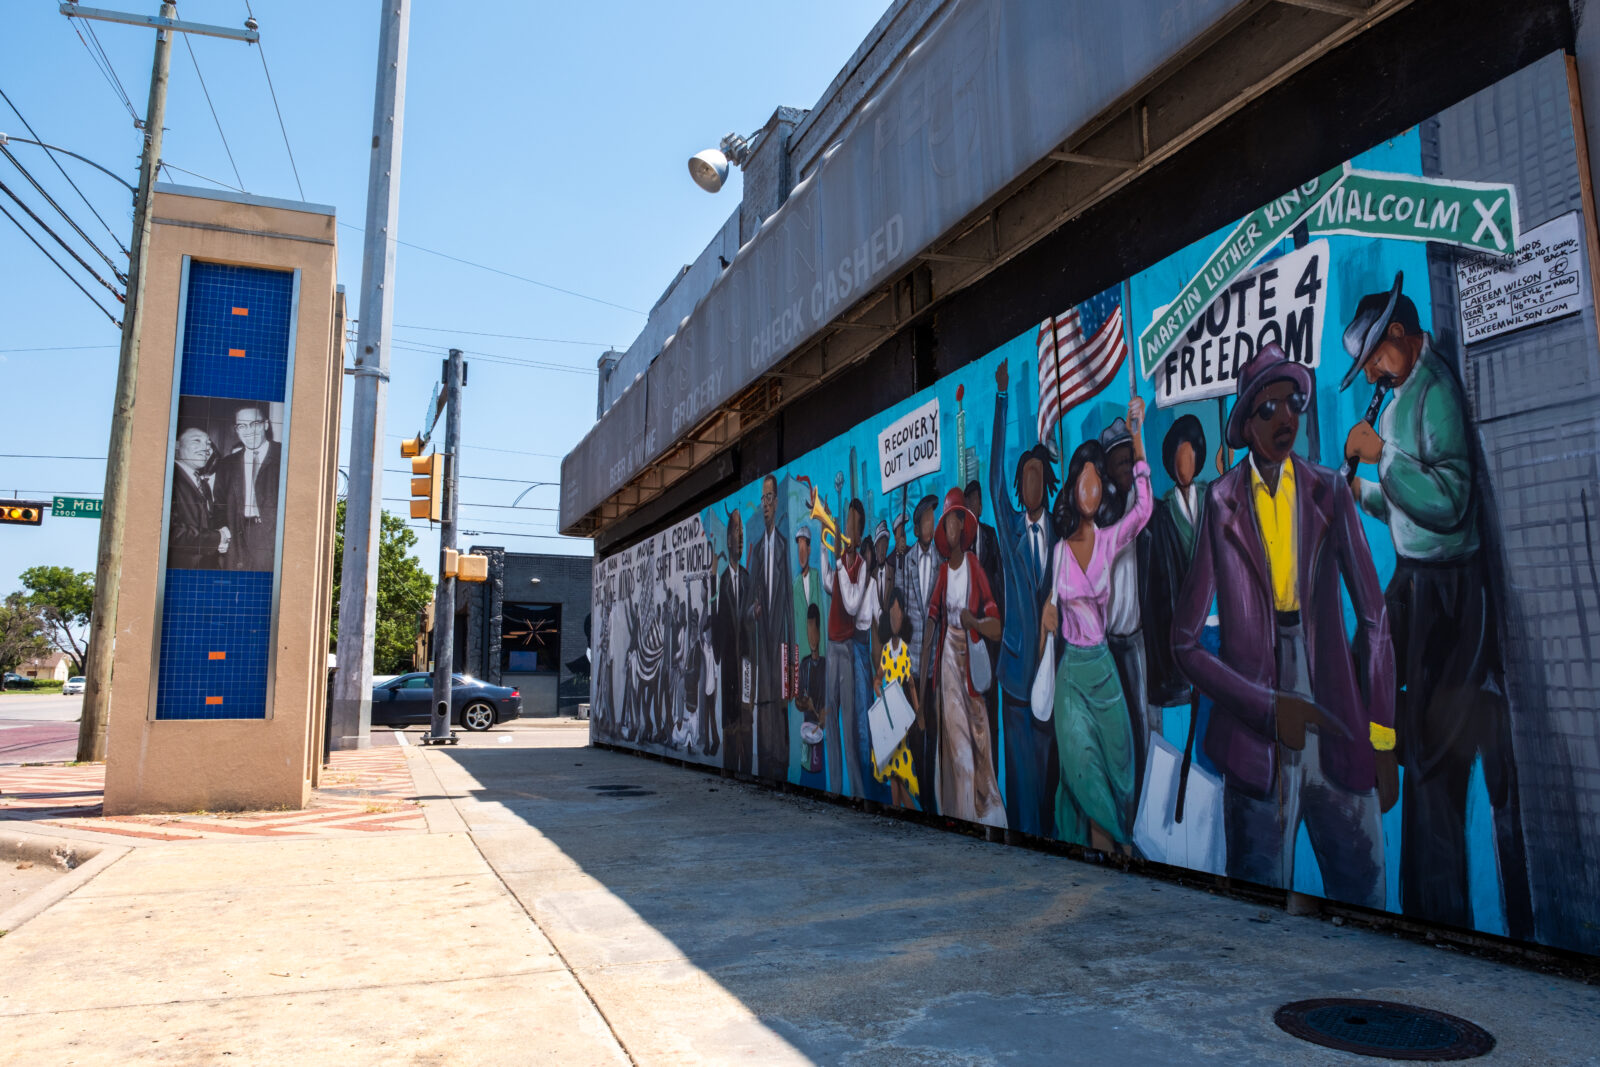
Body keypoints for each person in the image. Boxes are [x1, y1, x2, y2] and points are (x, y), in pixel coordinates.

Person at [1340, 273, 1533, 936]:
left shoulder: (1435, 390)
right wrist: (1361, 491)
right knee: (1386, 698)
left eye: (1374, 357)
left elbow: (1448, 501)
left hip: (1448, 590)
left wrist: (1381, 456)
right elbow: (1407, 505)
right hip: (1417, 577)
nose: (1371, 371)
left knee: (1432, 758)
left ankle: (1440, 912)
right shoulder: (1401, 391)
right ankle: (1423, 903)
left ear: (1400, 335)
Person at [1174, 343, 1396, 908]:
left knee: (1364, 889)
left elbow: (1374, 619)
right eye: (1268, 409)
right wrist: (1266, 707)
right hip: (1255, 735)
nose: (1285, 419)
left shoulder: (1328, 492)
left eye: (1291, 402)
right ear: (1246, 424)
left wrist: (1384, 739)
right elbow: (1185, 643)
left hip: (1336, 712)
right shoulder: (1220, 503)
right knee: (1258, 904)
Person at [1041, 397, 1151, 853]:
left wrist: (1138, 437)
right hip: (1071, 678)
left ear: (1101, 491)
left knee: (1118, 770)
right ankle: (1112, 853)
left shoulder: (1109, 542)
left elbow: (1142, 509)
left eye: (1095, 481)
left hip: (1104, 672)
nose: (1089, 488)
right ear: (1072, 490)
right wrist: (1048, 621)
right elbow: (1051, 609)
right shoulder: (1058, 552)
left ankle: (1106, 853)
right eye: (1082, 480)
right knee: (1083, 767)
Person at [990, 361, 1061, 837]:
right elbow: (993, 477)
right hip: (1015, 679)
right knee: (1020, 783)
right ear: (1020, 485)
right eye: (1027, 476)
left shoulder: (1060, 534)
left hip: (1050, 678)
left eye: (1039, 475)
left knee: (1046, 781)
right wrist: (1000, 400)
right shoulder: (1011, 527)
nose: (1033, 483)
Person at [921, 488, 1007, 827]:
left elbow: (997, 626)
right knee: (958, 750)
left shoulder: (975, 567)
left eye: (956, 521)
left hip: (971, 664)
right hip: (947, 670)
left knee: (981, 743)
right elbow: (930, 622)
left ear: (963, 526)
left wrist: (975, 623)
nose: (951, 529)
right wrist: (923, 677)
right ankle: (962, 817)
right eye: (947, 524)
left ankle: (983, 814)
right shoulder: (943, 574)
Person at [1098, 415, 1154, 804]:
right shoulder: (1100, 525)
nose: (1124, 469)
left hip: (1132, 642)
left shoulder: (1131, 517)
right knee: (1111, 735)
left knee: (1141, 726)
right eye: (1118, 463)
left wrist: (1139, 440)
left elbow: (1144, 493)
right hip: (1104, 646)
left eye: (1127, 462)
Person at [1142, 415, 1208, 710]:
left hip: (1215, 620)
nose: (1184, 465)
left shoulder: (1213, 498)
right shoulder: (1163, 512)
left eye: (1189, 455)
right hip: (1183, 625)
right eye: (1178, 458)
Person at [821, 497, 872, 799]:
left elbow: (852, 604)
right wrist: (824, 543)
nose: (848, 528)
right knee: (830, 719)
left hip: (848, 649)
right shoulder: (841, 562)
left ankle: (857, 791)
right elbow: (828, 582)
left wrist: (840, 563)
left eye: (852, 524)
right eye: (846, 522)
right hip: (832, 646)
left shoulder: (861, 567)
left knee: (849, 725)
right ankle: (836, 789)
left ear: (859, 531)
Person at [894, 493, 942, 813]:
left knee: (933, 734)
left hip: (935, 663)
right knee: (915, 734)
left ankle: (931, 800)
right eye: (926, 520)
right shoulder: (906, 561)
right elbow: (897, 616)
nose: (931, 524)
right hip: (912, 666)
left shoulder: (942, 559)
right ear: (917, 524)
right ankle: (922, 798)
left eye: (933, 519)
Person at [747, 474, 793, 782]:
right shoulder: (756, 551)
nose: (765, 505)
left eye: (768, 498)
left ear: (776, 503)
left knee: (780, 707)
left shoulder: (784, 546)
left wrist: (793, 672)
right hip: (761, 649)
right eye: (762, 499)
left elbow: (789, 609)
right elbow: (747, 605)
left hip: (780, 648)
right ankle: (764, 764)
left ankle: (781, 767)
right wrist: (754, 610)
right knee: (763, 708)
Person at [964, 478, 1004, 779]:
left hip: (989, 641)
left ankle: (993, 775)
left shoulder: (991, 537)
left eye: (974, 503)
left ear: (980, 505)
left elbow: (999, 589)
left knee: (991, 711)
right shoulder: (960, 546)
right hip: (967, 642)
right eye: (966, 505)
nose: (971, 509)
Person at [712, 509, 758, 775]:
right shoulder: (722, 581)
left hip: (747, 662)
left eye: (742, 532)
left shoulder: (749, 578)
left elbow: (750, 618)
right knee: (730, 717)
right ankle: (730, 770)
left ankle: (747, 772)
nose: (740, 537)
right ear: (727, 539)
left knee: (747, 717)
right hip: (730, 664)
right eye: (736, 532)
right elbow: (718, 623)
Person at [214, 405, 281, 572]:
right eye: (242, 425)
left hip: (274, 536)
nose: (248, 430)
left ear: (266, 424)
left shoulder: (286, 455)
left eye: (254, 423)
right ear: (236, 430)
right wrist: (222, 529)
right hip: (238, 536)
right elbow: (219, 505)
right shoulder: (226, 464)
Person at [873, 586, 921, 809]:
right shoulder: (884, 651)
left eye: (898, 612)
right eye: (892, 613)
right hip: (888, 719)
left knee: (899, 775)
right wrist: (877, 689)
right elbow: (878, 678)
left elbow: (910, 684)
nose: (895, 617)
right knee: (893, 776)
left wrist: (917, 711)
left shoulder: (904, 650)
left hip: (900, 721)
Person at [168, 426, 230, 570]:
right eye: (197, 440)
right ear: (177, 446)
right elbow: (168, 531)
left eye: (208, 444)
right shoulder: (168, 478)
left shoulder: (203, 485)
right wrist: (217, 538)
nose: (206, 448)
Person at [795, 603, 828, 782]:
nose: (811, 637)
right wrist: (802, 703)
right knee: (805, 774)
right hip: (805, 732)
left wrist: (817, 710)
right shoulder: (804, 665)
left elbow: (826, 711)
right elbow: (798, 701)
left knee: (818, 775)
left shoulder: (825, 665)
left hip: (819, 735)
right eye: (809, 632)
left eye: (814, 631)